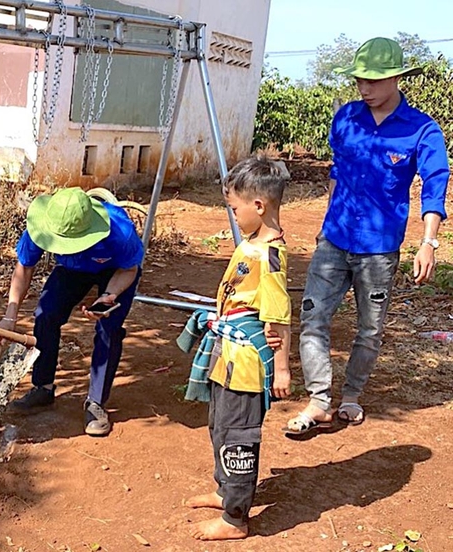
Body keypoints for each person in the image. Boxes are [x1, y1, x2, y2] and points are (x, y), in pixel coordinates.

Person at [285, 37, 450, 435]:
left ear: (395, 78)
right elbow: (337, 173)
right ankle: (320, 400)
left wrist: (428, 242)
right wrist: (326, 222)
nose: (365, 88)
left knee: (370, 329)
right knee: (312, 319)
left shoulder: (422, 130)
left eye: (374, 81)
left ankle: (351, 396)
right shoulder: (345, 118)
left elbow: (434, 185)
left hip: (380, 250)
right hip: (334, 240)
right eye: (360, 79)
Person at [179, 156, 292, 541]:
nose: (234, 216)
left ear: (258, 206)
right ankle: (224, 489)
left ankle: (235, 518)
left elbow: (279, 317)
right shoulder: (251, 243)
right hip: (226, 358)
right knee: (219, 427)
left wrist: (281, 368)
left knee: (239, 438)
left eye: (234, 209)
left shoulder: (271, 256)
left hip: (246, 366)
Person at [0, 187, 144, 436]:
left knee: (108, 327)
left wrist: (109, 296)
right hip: (72, 268)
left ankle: (96, 403)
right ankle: (42, 387)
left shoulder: (120, 233)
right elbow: (24, 268)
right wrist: (9, 316)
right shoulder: (40, 226)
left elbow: (129, 269)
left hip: (115, 272)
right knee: (46, 314)